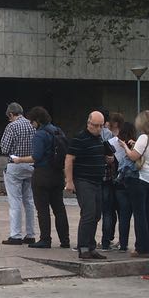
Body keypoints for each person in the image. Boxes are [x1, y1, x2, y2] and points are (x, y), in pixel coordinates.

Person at [64, 111, 109, 261]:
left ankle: (91, 246)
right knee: (89, 212)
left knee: (96, 214)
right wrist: (69, 181)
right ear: (89, 123)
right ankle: (83, 247)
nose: (98, 129)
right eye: (95, 125)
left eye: (101, 126)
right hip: (84, 180)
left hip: (97, 180)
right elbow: (69, 159)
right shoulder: (80, 138)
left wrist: (108, 159)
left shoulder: (99, 139)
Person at [121, 110, 149, 257]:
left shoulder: (144, 137)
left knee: (139, 214)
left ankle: (142, 247)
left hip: (140, 178)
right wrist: (135, 144)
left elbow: (133, 156)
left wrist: (125, 146)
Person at [27, 107, 69, 250]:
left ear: (37, 121)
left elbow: (36, 156)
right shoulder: (58, 130)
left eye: (32, 122)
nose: (31, 125)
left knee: (43, 209)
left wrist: (18, 160)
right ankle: (65, 240)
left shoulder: (39, 135)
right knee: (59, 208)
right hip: (57, 173)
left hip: (42, 174)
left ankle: (45, 239)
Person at [0, 102, 36, 245]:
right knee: (29, 201)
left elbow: (5, 148)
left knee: (15, 202)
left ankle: (16, 235)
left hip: (15, 165)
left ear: (10, 114)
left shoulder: (12, 126)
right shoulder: (31, 125)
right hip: (31, 164)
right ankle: (31, 234)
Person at [100, 112, 131, 252]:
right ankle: (123, 244)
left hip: (113, 180)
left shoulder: (113, 141)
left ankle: (106, 242)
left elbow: (110, 160)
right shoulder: (133, 142)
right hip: (127, 182)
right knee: (123, 214)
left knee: (108, 212)